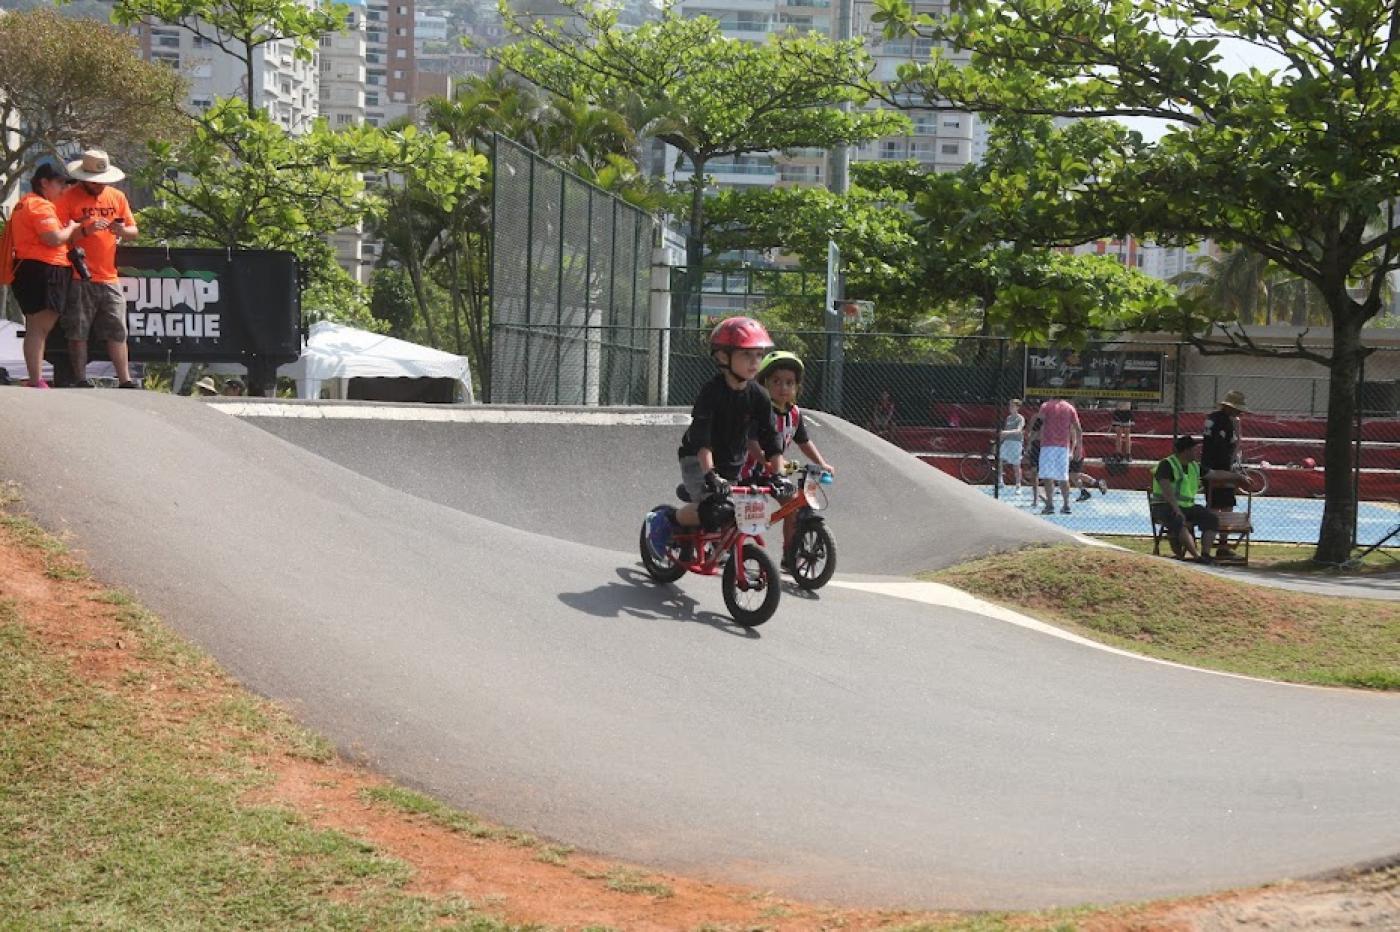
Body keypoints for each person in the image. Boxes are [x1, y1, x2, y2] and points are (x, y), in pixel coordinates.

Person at [645, 317, 785, 559]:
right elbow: (702, 439)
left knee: (741, 509)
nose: (755, 362)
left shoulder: (759, 396)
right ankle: (664, 519)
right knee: (714, 509)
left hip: (731, 462)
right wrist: (710, 475)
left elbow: (771, 438)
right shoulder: (712, 393)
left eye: (759, 355)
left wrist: (779, 475)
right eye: (746, 355)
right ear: (723, 357)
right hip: (697, 459)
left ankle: (716, 542)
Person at [741, 350, 835, 563]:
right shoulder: (761, 411)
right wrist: (765, 460)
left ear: (797, 387)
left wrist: (821, 463)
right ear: (763, 384)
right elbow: (751, 441)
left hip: (773, 471)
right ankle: (722, 544)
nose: (783, 388)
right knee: (741, 516)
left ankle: (789, 554)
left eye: (789, 383)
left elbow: (804, 441)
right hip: (747, 470)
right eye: (776, 381)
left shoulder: (794, 414)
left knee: (793, 503)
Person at [57, 149, 138, 389]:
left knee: (117, 328)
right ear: (83, 178)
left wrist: (120, 231)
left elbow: (133, 231)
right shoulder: (67, 197)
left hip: (109, 275)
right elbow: (57, 235)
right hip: (77, 273)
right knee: (78, 329)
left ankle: (125, 379)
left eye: (103, 181)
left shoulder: (117, 197)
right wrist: (84, 231)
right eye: (95, 182)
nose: (99, 186)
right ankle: (80, 378)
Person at [9, 163, 80, 388]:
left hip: (29, 269)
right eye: (60, 183)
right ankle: (36, 379)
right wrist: (71, 228)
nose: (63, 189)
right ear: (44, 182)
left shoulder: (24, 203)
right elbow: (53, 238)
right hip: (44, 270)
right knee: (39, 328)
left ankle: (34, 377)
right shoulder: (40, 205)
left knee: (35, 328)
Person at [1151, 435, 1219, 563]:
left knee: (1211, 519)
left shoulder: (1194, 466)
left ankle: (1205, 554)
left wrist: (1238, 476)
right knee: (1178, 520)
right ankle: (1196, 556)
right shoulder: (1166, 464)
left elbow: (1214, 474)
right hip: (1164, 505)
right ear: (1186, 451)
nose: (1198, 452)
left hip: (1187, 506)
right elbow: (1167, 491)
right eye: (1194, 449)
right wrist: (1177, 509)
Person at [1202, 389, 1246, 559]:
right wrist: (1230, 472)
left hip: (1213, 468)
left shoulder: (1213, 418)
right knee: (1220, 508)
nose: (1240, 412)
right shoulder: (1223, 423)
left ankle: (1221, 546)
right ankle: (1220, 547)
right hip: (1219, 470)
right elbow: (1221, 450)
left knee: (1220, 506)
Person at [1037, 396, 1082, 515]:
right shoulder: (1069, 408)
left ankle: (1050, 504)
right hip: (1063, 446)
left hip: (1048, 445)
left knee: (1048, 476)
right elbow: (1078, 428)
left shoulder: (1046, 406)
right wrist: (1078, 447)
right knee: (1063, 476)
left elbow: (1039, 423)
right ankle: (1066, 505)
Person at [999, 398, 1026, 495]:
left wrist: (1006, 432)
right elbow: (1005, 431)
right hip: (1007, 442)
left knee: (1016, 465)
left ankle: (1018, 486)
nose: (1010, 408)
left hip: (1016, 443)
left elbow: (1019, 430)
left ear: (1017, 407)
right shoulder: (1008, 418)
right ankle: (1000, 481)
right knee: (999, 459)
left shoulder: (1020, 418)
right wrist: (1001, 439)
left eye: (1012, 406)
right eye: (1010, 406)